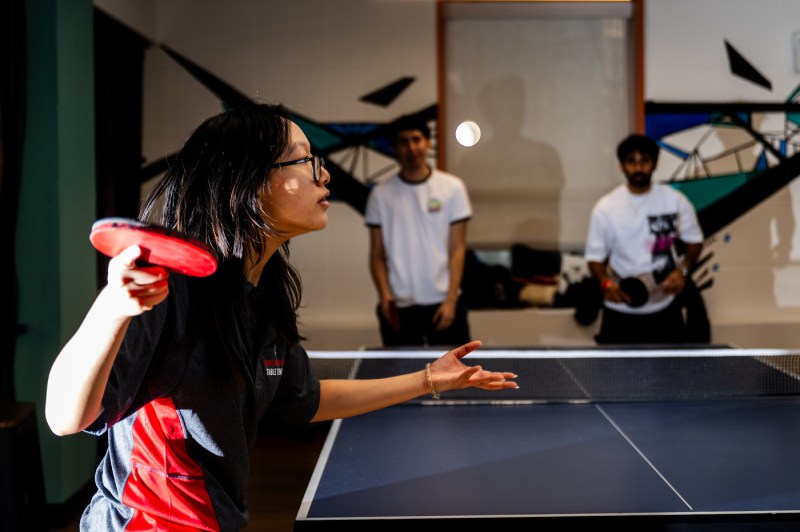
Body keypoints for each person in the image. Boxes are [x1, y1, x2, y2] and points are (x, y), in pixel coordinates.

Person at [44, 103, 519, 531]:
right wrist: (112, 307)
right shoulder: (171, 288)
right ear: (247, 180)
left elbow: (307, 400)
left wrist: (429, 379)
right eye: (305, 160)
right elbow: (67, 417)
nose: (324, 174)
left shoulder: (264, 296)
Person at [584, 133, 704, 345]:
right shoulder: (605, 207)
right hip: (620, 310)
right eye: (631, 161)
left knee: (673, 366)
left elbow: (695, 240)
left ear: (654, 163)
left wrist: (683, 271)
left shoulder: (675, 200)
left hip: (665, 307)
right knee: (613, 367)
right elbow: (595, 258)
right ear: (622, 165)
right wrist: (606, 283)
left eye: (644, 161)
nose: (638, 168)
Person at [365, 116, 473, 347]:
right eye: (403, 142)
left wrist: (451, 301)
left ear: (428, 143)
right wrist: (385, 298)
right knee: (401, 371)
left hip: (444, 303)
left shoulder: (453, 188)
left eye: (417, 139)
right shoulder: (380, 195)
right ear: (394, 148)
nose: (411, 147)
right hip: (399, 308)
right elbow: (377, 255)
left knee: (456, 370)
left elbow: (458, 248)